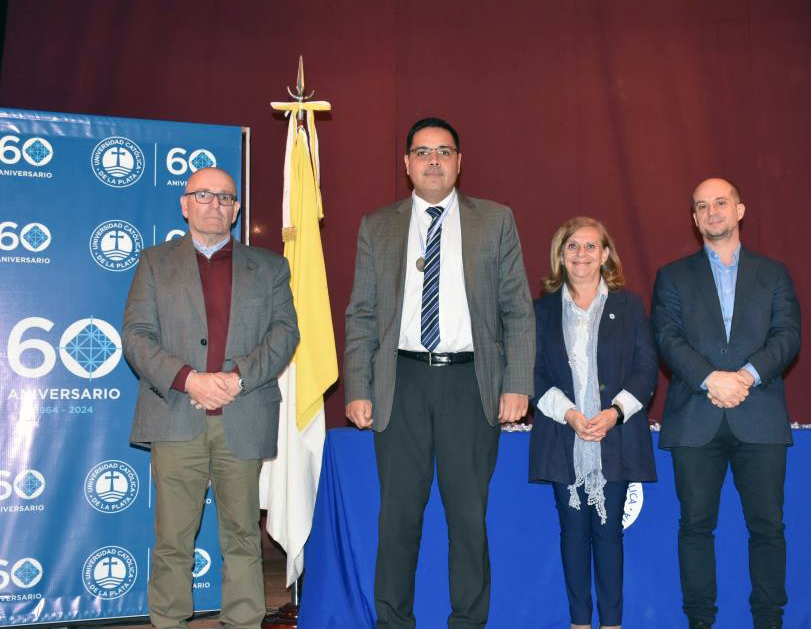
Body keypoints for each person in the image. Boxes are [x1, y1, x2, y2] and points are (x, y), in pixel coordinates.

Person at [343, 117, 535, 629]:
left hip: (469, 385)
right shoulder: (377, 224)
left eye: (443, 151)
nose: (433, 161)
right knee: (397, 518)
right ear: (405, 164)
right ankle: (392, 622)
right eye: (422, 152)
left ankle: (468, 622)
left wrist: (517, 382)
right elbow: (361, 313)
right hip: (399, 383)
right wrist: (358, 387)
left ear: (459, 162)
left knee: (468, 518)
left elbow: (517, 309)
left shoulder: (494, 220)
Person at [122, 167, 299, 629]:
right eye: (204, 195)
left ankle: (243, 623)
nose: (215, 205)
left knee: (242, 537)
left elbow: (285, 334)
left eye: (225, 198)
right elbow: (136, 337)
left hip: (241, 416)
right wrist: (187, 378)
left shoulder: (271, 267)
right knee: (172, 541)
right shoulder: (155, 262)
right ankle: (168, 623)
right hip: (175, 415)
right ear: (185, 204)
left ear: (237, 209)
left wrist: (238, 378)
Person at [651, 177, 800, 629]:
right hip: (696, 417)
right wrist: (711, 378)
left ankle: (768, 621)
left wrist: (747, 377)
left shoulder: (773, 273)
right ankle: (700, 622)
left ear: (740, 210)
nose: (712, 211)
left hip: (761, 416)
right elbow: (667, 338)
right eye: (701, 206)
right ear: (694, 219)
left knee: (768, 528)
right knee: (695, 528)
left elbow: (788, 336)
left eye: (720, 202)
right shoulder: (672, 276)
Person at [529, 217, 658, 629]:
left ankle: (613, 624)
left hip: (615, 437)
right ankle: (579, 623)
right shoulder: (542, 310)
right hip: (562, 435)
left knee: (608, 536)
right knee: (572, 534)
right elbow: (533, 373)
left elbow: (646, 369)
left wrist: (613, 413)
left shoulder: (630, 306)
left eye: (590, 246)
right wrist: (568, 413)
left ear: (605, 255)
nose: (581, 254)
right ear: (560, 256)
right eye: (572, 247)